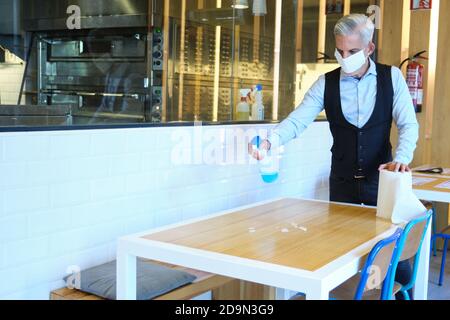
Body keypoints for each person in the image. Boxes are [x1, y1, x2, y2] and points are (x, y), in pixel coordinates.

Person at [249, 14, 419, 299]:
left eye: (352, 51)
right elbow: (298, 120)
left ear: (369, 49)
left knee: (395, 258)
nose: (344, 57)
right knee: (345, 256)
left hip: (383, 184)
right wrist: (270, 141)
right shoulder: (325, 84)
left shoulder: (392, 78)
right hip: (342, 183)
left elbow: (407, 124)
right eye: (339, 51)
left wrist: (402, 157)